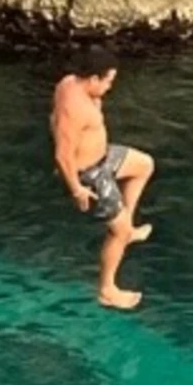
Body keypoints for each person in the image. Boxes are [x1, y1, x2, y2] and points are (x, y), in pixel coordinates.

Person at [51, 46, 155, 310]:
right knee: (116, 232)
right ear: (94, 78)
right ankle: (107, 289)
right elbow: (63, 155)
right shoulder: (74, 107)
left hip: (102, 157)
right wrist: (76, 189)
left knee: (144, 165)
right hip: (90, 175)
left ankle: (127, 228)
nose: (110, 87)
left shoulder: (70, 82)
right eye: (108, 81)